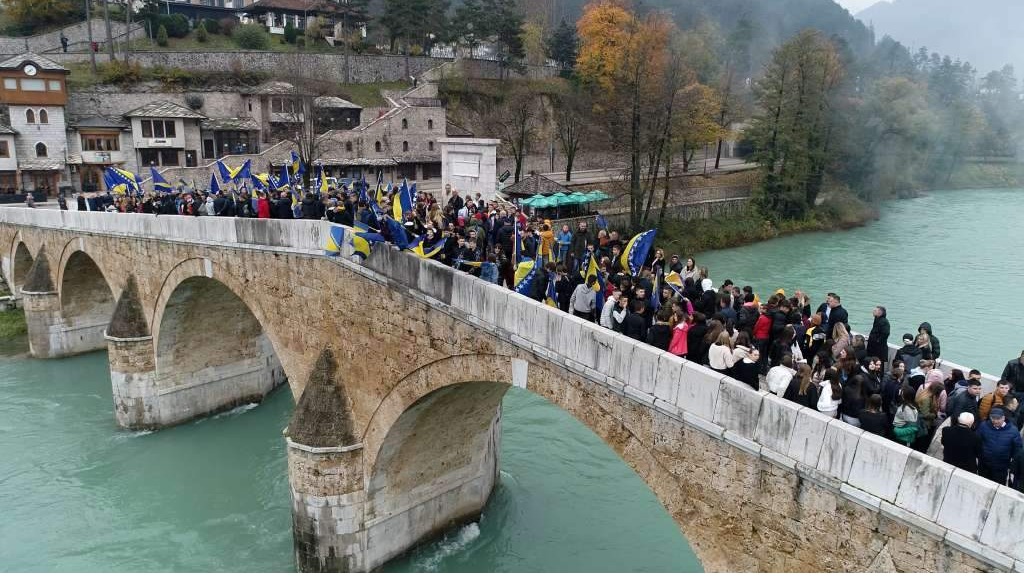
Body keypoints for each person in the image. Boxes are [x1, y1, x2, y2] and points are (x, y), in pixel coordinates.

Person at [977, 407, 1023, 484]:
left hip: (1001, 468)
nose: (995, 421)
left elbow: (1017, 449)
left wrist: (1012, 466)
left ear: (1003, 418)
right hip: (984, 465)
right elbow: (977, 441)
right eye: (993, 418)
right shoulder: (984, 426)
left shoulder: (1013, 430)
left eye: (998, 418)